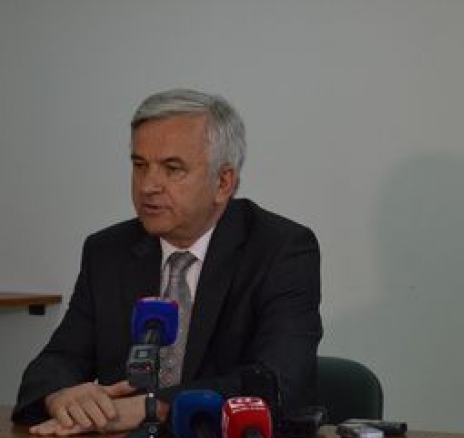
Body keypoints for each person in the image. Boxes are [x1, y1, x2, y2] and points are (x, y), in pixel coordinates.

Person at [12, 89, 323, 435]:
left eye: (172, 169)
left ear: (223, 182)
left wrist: (153, 406)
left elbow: (279, 381)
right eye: (139, 165)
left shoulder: (280, 250)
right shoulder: (107, 251)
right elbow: (59, 359)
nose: (148, 185)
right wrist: (61, 396)